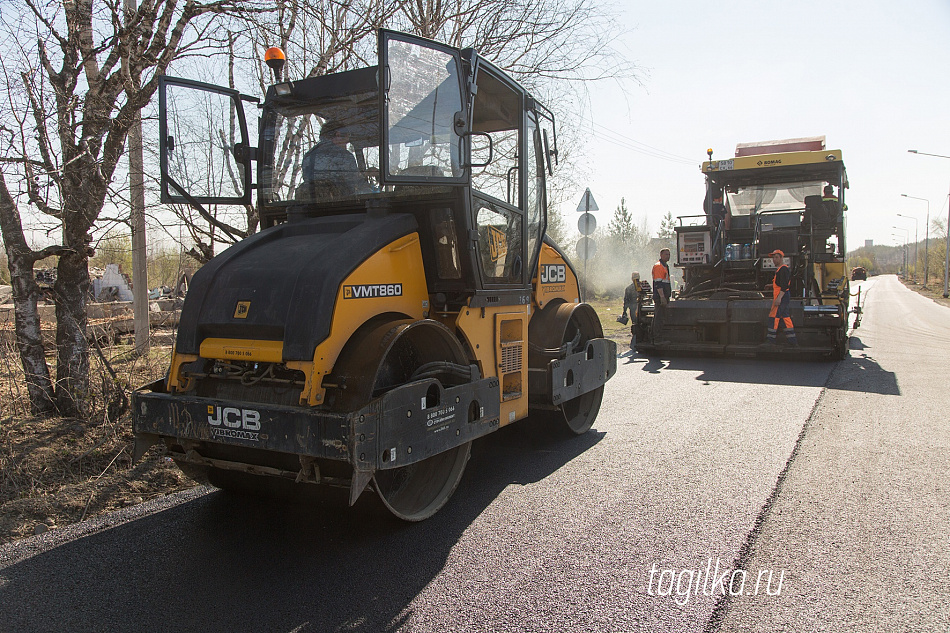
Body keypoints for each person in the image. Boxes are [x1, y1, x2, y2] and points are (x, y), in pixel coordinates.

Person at [300, 121, 375, 198]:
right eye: (345, 141)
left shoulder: (308, 156)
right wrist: (370, 191)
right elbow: (355, 183)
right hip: (340, 205)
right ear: (338, 134)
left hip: (312, 207)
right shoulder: (343, 156)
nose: (346, 145)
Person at [762, 249, 798, 348]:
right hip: (783, 296)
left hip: (781, 297)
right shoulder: (781, 270)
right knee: (785, 318)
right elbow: (781, 283)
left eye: (776, 257)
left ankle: (771, 341)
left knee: (773, 317)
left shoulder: (783, 269)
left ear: (782, 258)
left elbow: (784, 286)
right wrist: (770, 285)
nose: (774, 259)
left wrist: (779, 299)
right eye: (773, 257)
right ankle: (792, 341)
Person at [651, 248, 672, 344]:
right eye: (666, 254)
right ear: (661, 255)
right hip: (660, 297)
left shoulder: (664, 266)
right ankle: (657, 339)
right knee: (658, 318)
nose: (668, 256)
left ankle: (655, 338)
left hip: (662, 296)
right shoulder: (659, 266)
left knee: (659, 317)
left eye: (669, 254)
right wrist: (662, 297)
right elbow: (658, 283)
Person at [621, 272, 640, 349]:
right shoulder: (642, 286)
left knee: (635, 323)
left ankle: (636, 337)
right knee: (637, 323)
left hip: (634, 308)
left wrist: (624, 311)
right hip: (638, 308)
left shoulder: (629, 288)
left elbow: (626, 301)